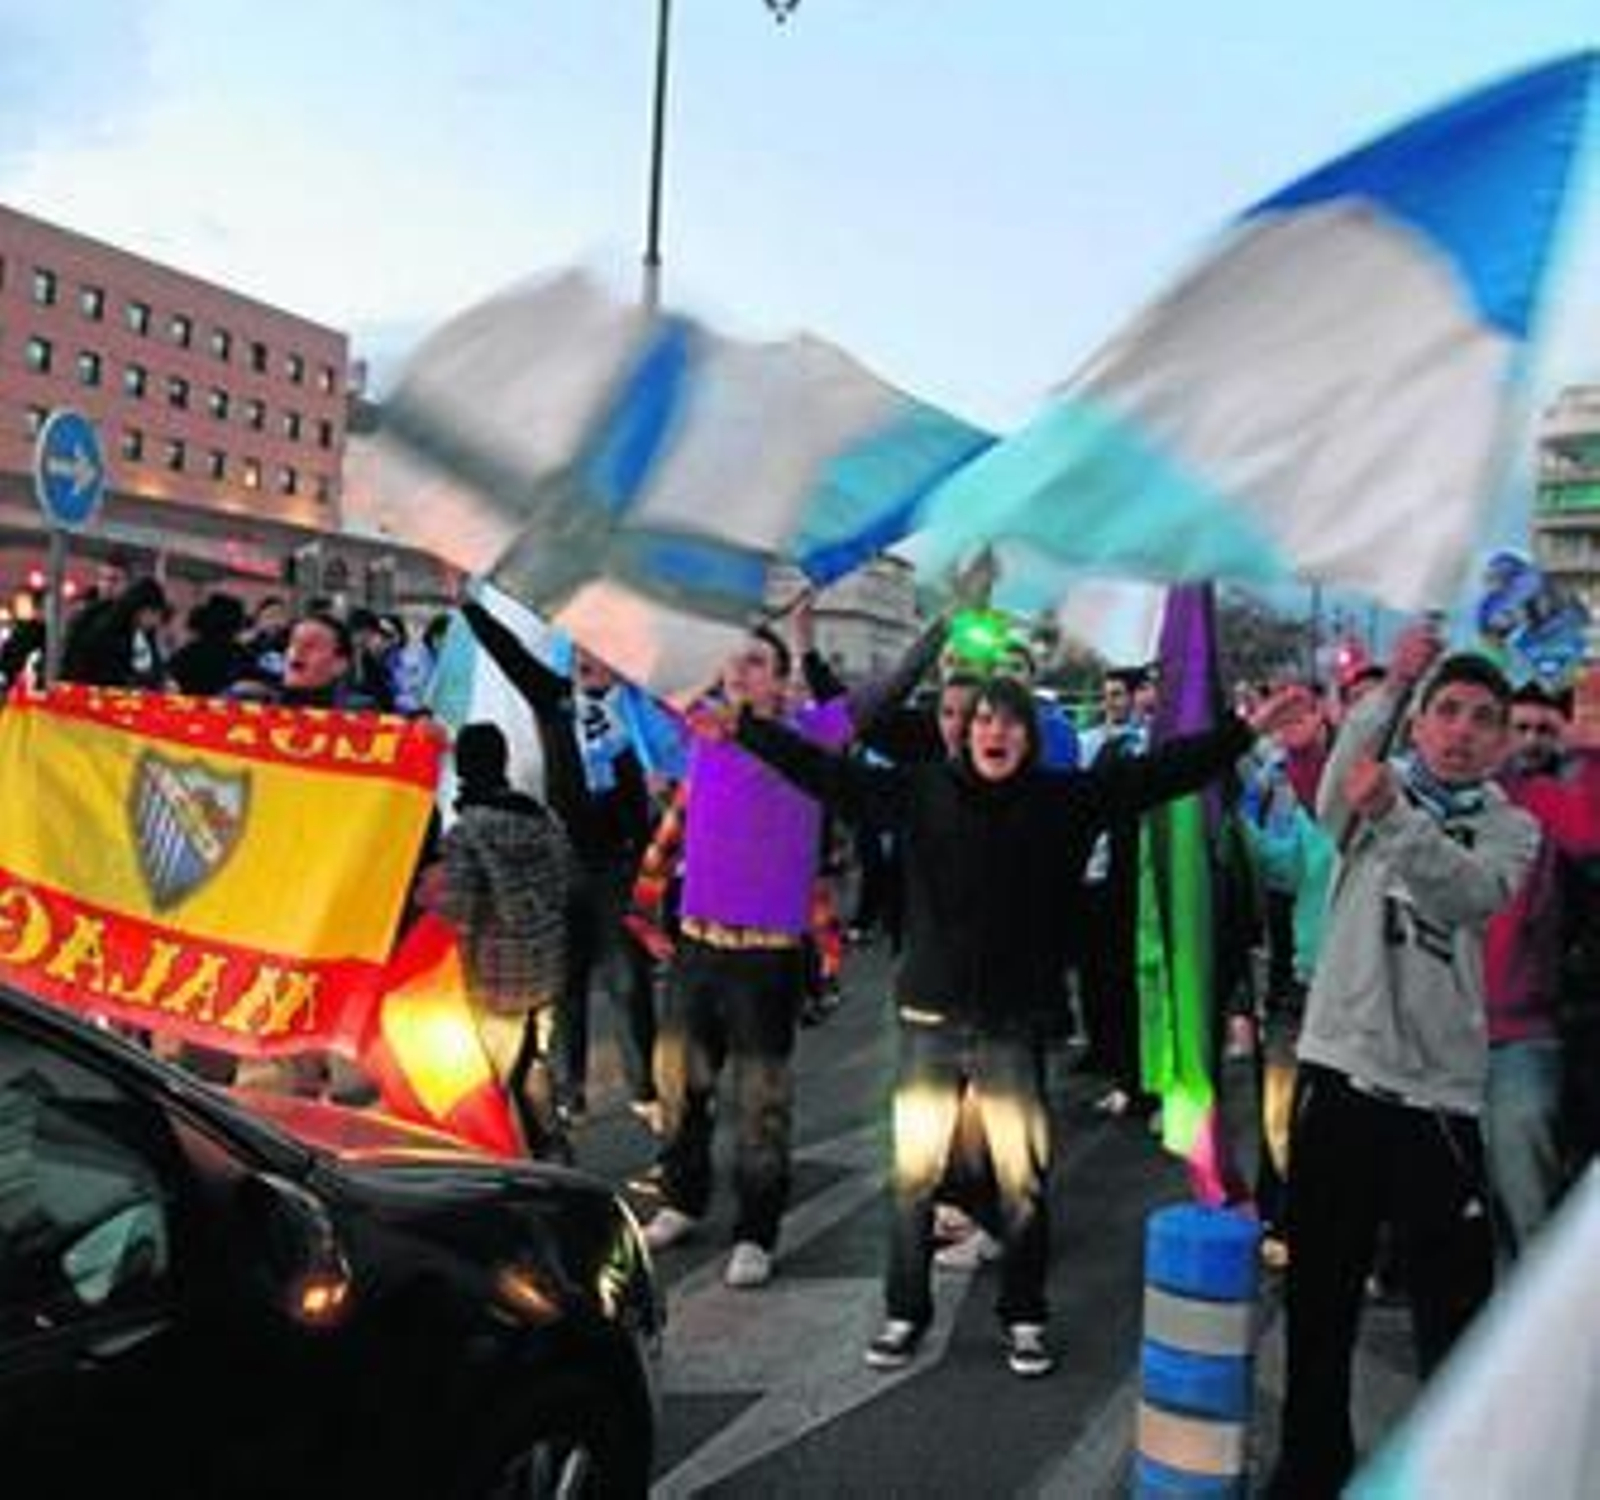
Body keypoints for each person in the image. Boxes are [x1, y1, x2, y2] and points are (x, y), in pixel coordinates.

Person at [724, 671, 1301, 1375]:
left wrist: (1245, 731)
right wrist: (746, 728)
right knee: (913, 1179)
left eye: (1010, 723)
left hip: (1012, 1026)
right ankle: (905, 1311)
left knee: (1021, 1180)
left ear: (1030, 737)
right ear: (964, 733)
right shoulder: (919, 790)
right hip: (928, 1019)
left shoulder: (1062, 802)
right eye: (982, 722)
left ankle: (1024, 1315)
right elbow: (823, 774)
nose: (994, 733)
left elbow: (1159, 774)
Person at [1267, 627, 1541, 1500]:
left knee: (1451, 1317)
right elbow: (1348, 775)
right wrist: (1393, 685)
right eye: (1446, 712)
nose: (1462, 730)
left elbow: (1464, 893)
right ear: (1420, 725)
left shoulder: (1512, 829)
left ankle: (1451, 1476)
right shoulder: (1362, 802)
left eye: (1483, 720)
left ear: (1501, 741)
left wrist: (1396, 815)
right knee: (1319, 1301)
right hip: (1340, 1075)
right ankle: (1312, 1469)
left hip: (1440, 1099)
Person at [638, 626, 853, 1291]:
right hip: (699, 947)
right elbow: (635, 656)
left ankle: (757, 1231)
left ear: (782, 681)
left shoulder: (811, 735)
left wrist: (947, 624)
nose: (737, 670)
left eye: (756, 661)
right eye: (731, 659)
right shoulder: (701, 731)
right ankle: (681, 1197)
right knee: (679, 1086)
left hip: (766, 961)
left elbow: (879, 694)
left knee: (759, 1105)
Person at [1483, 682, 1600, 1257]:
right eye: (1515, 727)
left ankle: (1537, 1340)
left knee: (1527, 1212)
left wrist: (1594, 753)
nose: (1527, 742)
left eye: (1542, 730)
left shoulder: (1545, 797)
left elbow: (1590, 832)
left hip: (1520, 1037)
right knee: (1451, 1218)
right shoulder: (1438, 794)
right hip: (1431, 1041)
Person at [428, 722, 576, 1160]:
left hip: (492, 980)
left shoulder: (466, 832)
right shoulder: (541, 816)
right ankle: (557, 1160)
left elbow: (460, 915)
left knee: (489, 1085)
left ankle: (504, 1176)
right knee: (534, 1066)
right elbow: (566, 880)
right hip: (546, 968)